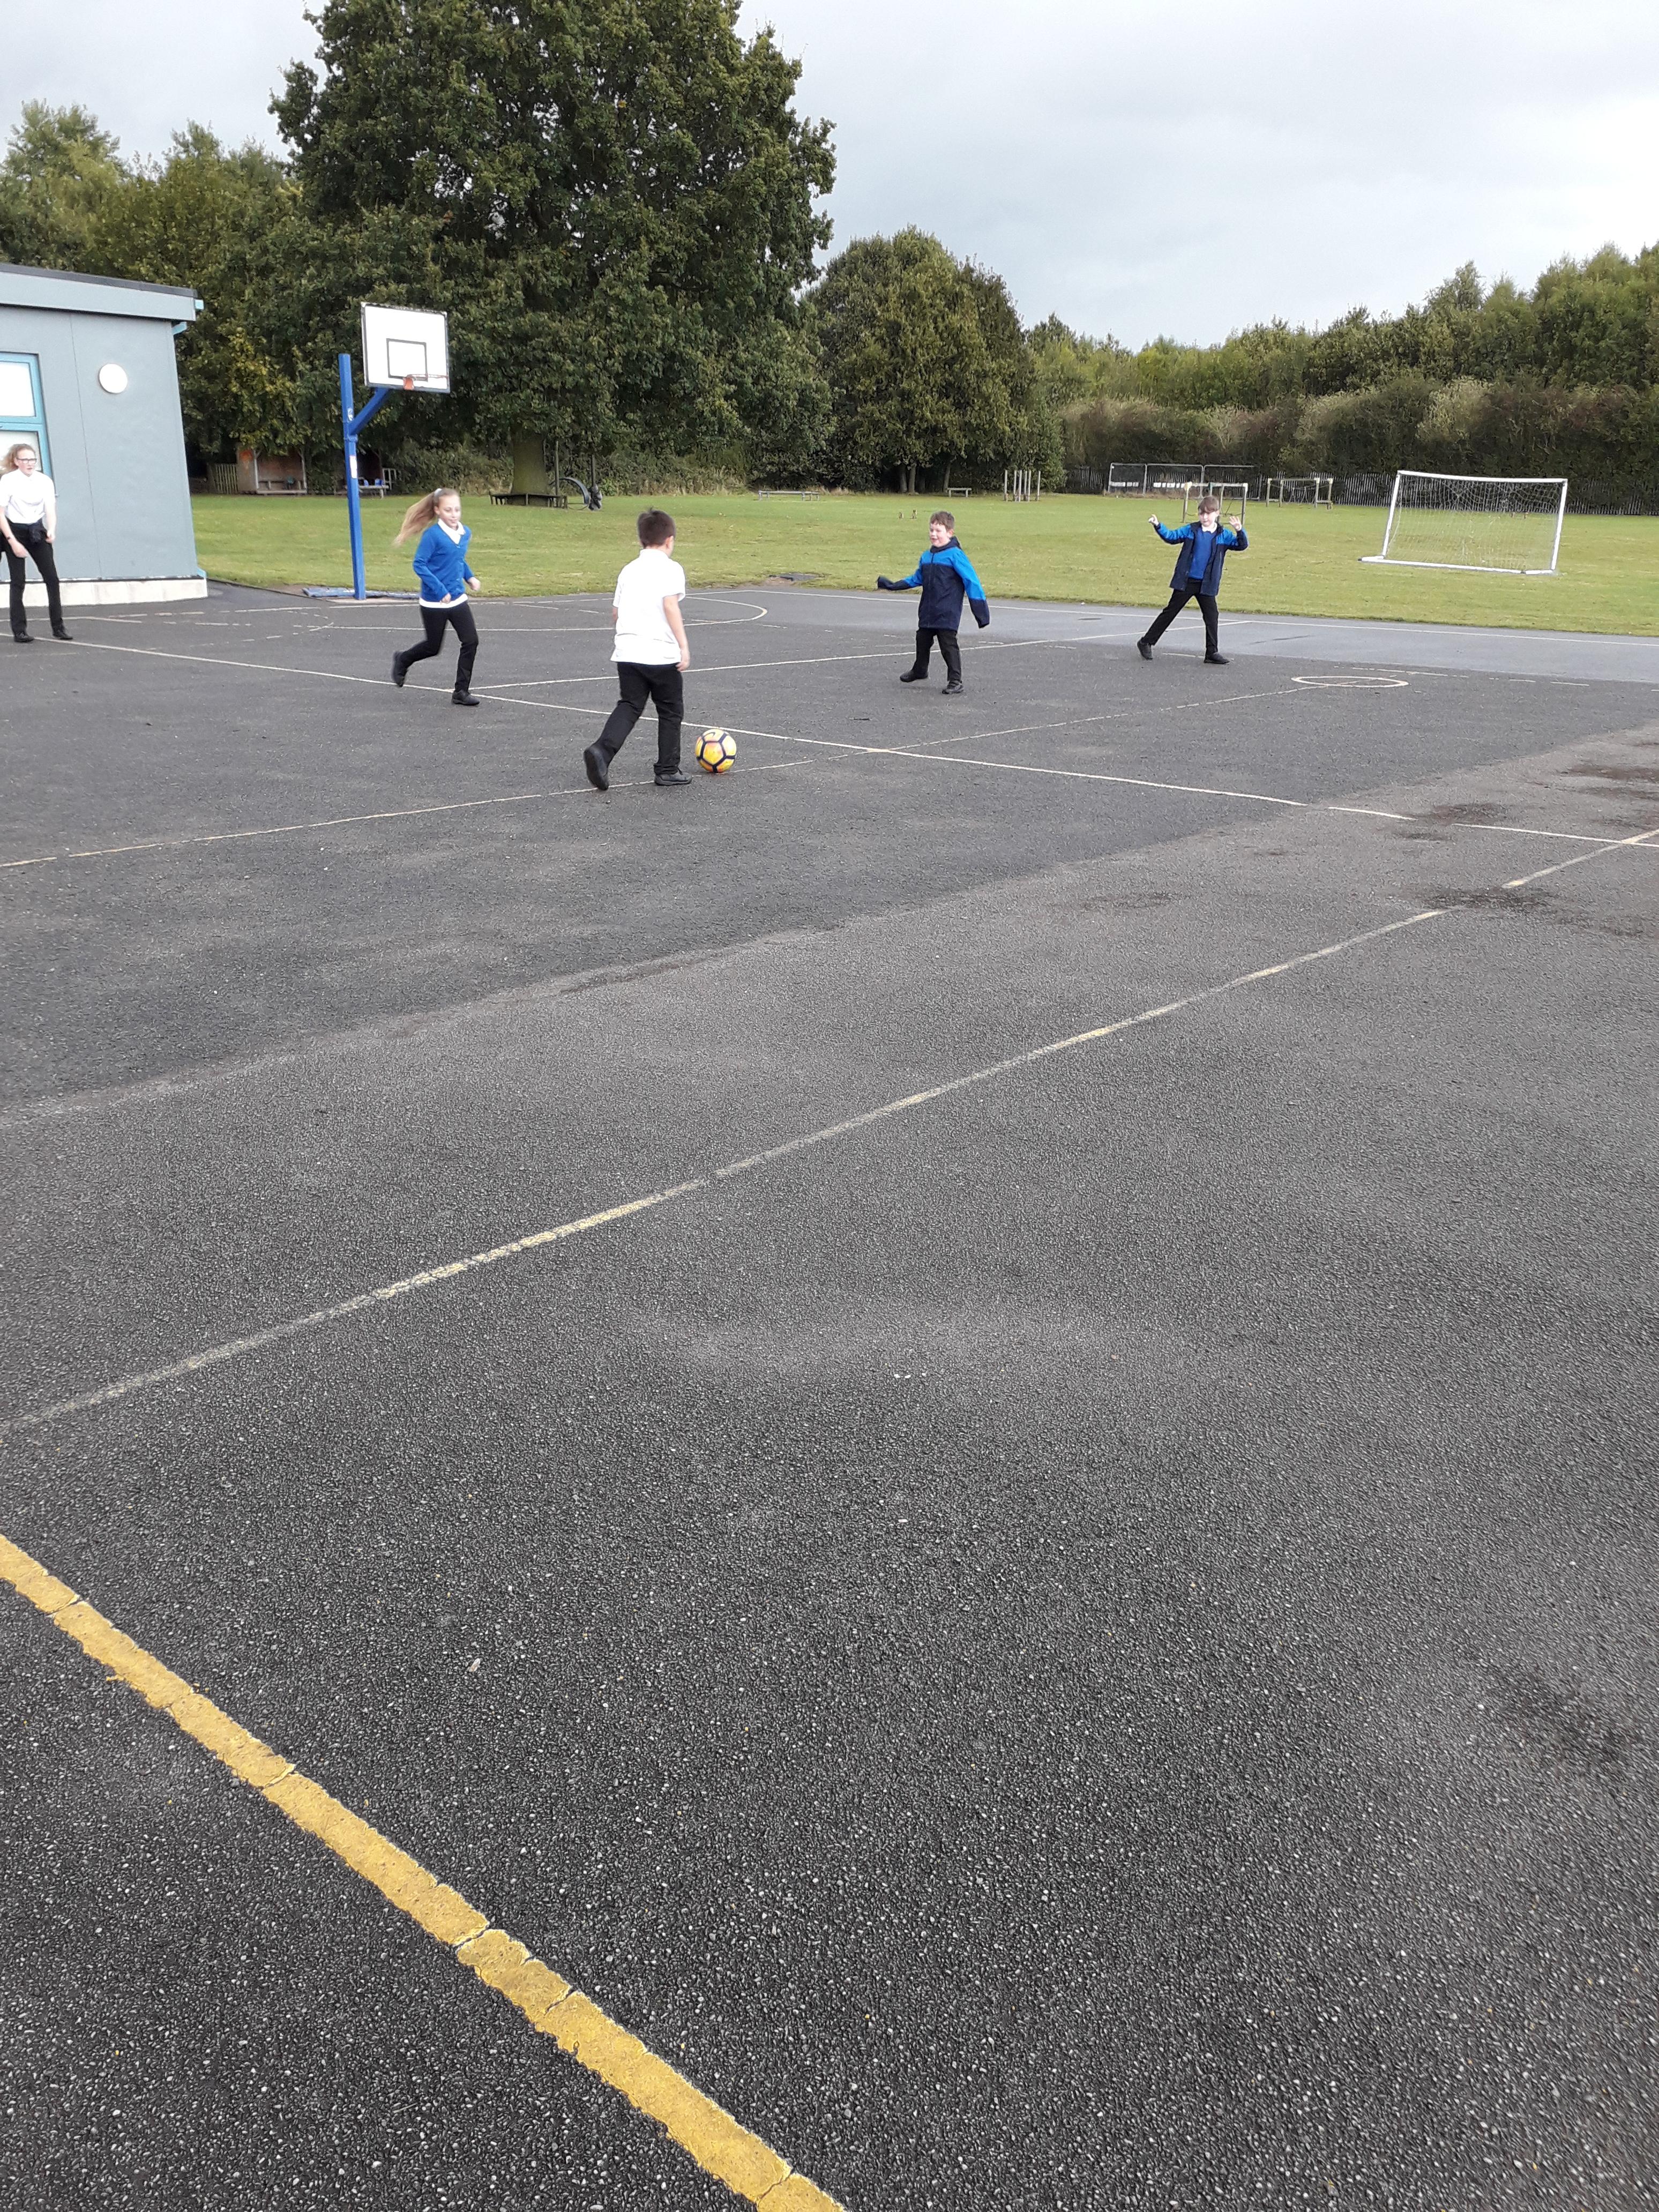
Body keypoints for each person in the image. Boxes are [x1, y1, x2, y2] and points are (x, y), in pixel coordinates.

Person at [584, 508, 691, 790]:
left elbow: (616, 613)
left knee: (630, 705)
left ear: (641, 540)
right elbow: (670, 606)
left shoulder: (628, 570)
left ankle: (602, 751)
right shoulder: (671, 569)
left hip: (628, 653)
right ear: (669, 540)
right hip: (661, 655)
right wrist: (683, 646)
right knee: (670, 710)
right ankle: (667, 769)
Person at [876, 510, 990, 693]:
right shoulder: (927, 556)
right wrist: (892, 585)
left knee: (948, 644)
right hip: (928, 610)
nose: (934, 534)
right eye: (931, 530)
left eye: (938, 531)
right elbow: (917, 579)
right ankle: (920, 670)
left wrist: (981, 613)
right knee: (922, 639)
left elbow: (972, 582)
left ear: (950, 533)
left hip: (947, 611)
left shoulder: (955, 555)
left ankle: (955, 680)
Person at [391, 488, 482, 705]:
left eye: (457, 510)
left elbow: (458, 559)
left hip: (458, 600)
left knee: (471, 641)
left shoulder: (465, 533)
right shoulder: (432, 536)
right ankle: (403, 659)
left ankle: (461, 692)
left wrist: (470, 577)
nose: (454, 514)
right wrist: (440, 591)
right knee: (433, 647)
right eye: (448, 510)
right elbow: (419, 565)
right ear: (437, 511)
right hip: (434, 602)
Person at [1137, 495, 1247, 664]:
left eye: (1208, 514)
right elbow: (1171, 537)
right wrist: (1158, 525)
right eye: (1202, 514)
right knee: (1170, 612)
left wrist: (1240, 531)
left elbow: (1241, 545)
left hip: (1206, 584)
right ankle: (1146, 642)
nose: (1204, 517)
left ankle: (1212, 653)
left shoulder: (1223, 535)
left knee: (1212, 616)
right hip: (1187, 581)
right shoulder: (1191, 530)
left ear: (1217, 513)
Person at [2, 440, 72, 644]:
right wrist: (13, 542)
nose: (30, 463)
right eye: (25, 460)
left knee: (52, 578)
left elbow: (50, 508)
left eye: (32, 459)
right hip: (14, 530)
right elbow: (1, 514)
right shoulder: (8, 481)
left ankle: (58, 627)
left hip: (36, 530)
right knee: (18, 581)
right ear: (16, 461)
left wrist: (51, 529)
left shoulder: (44, 481)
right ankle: (20, 631)